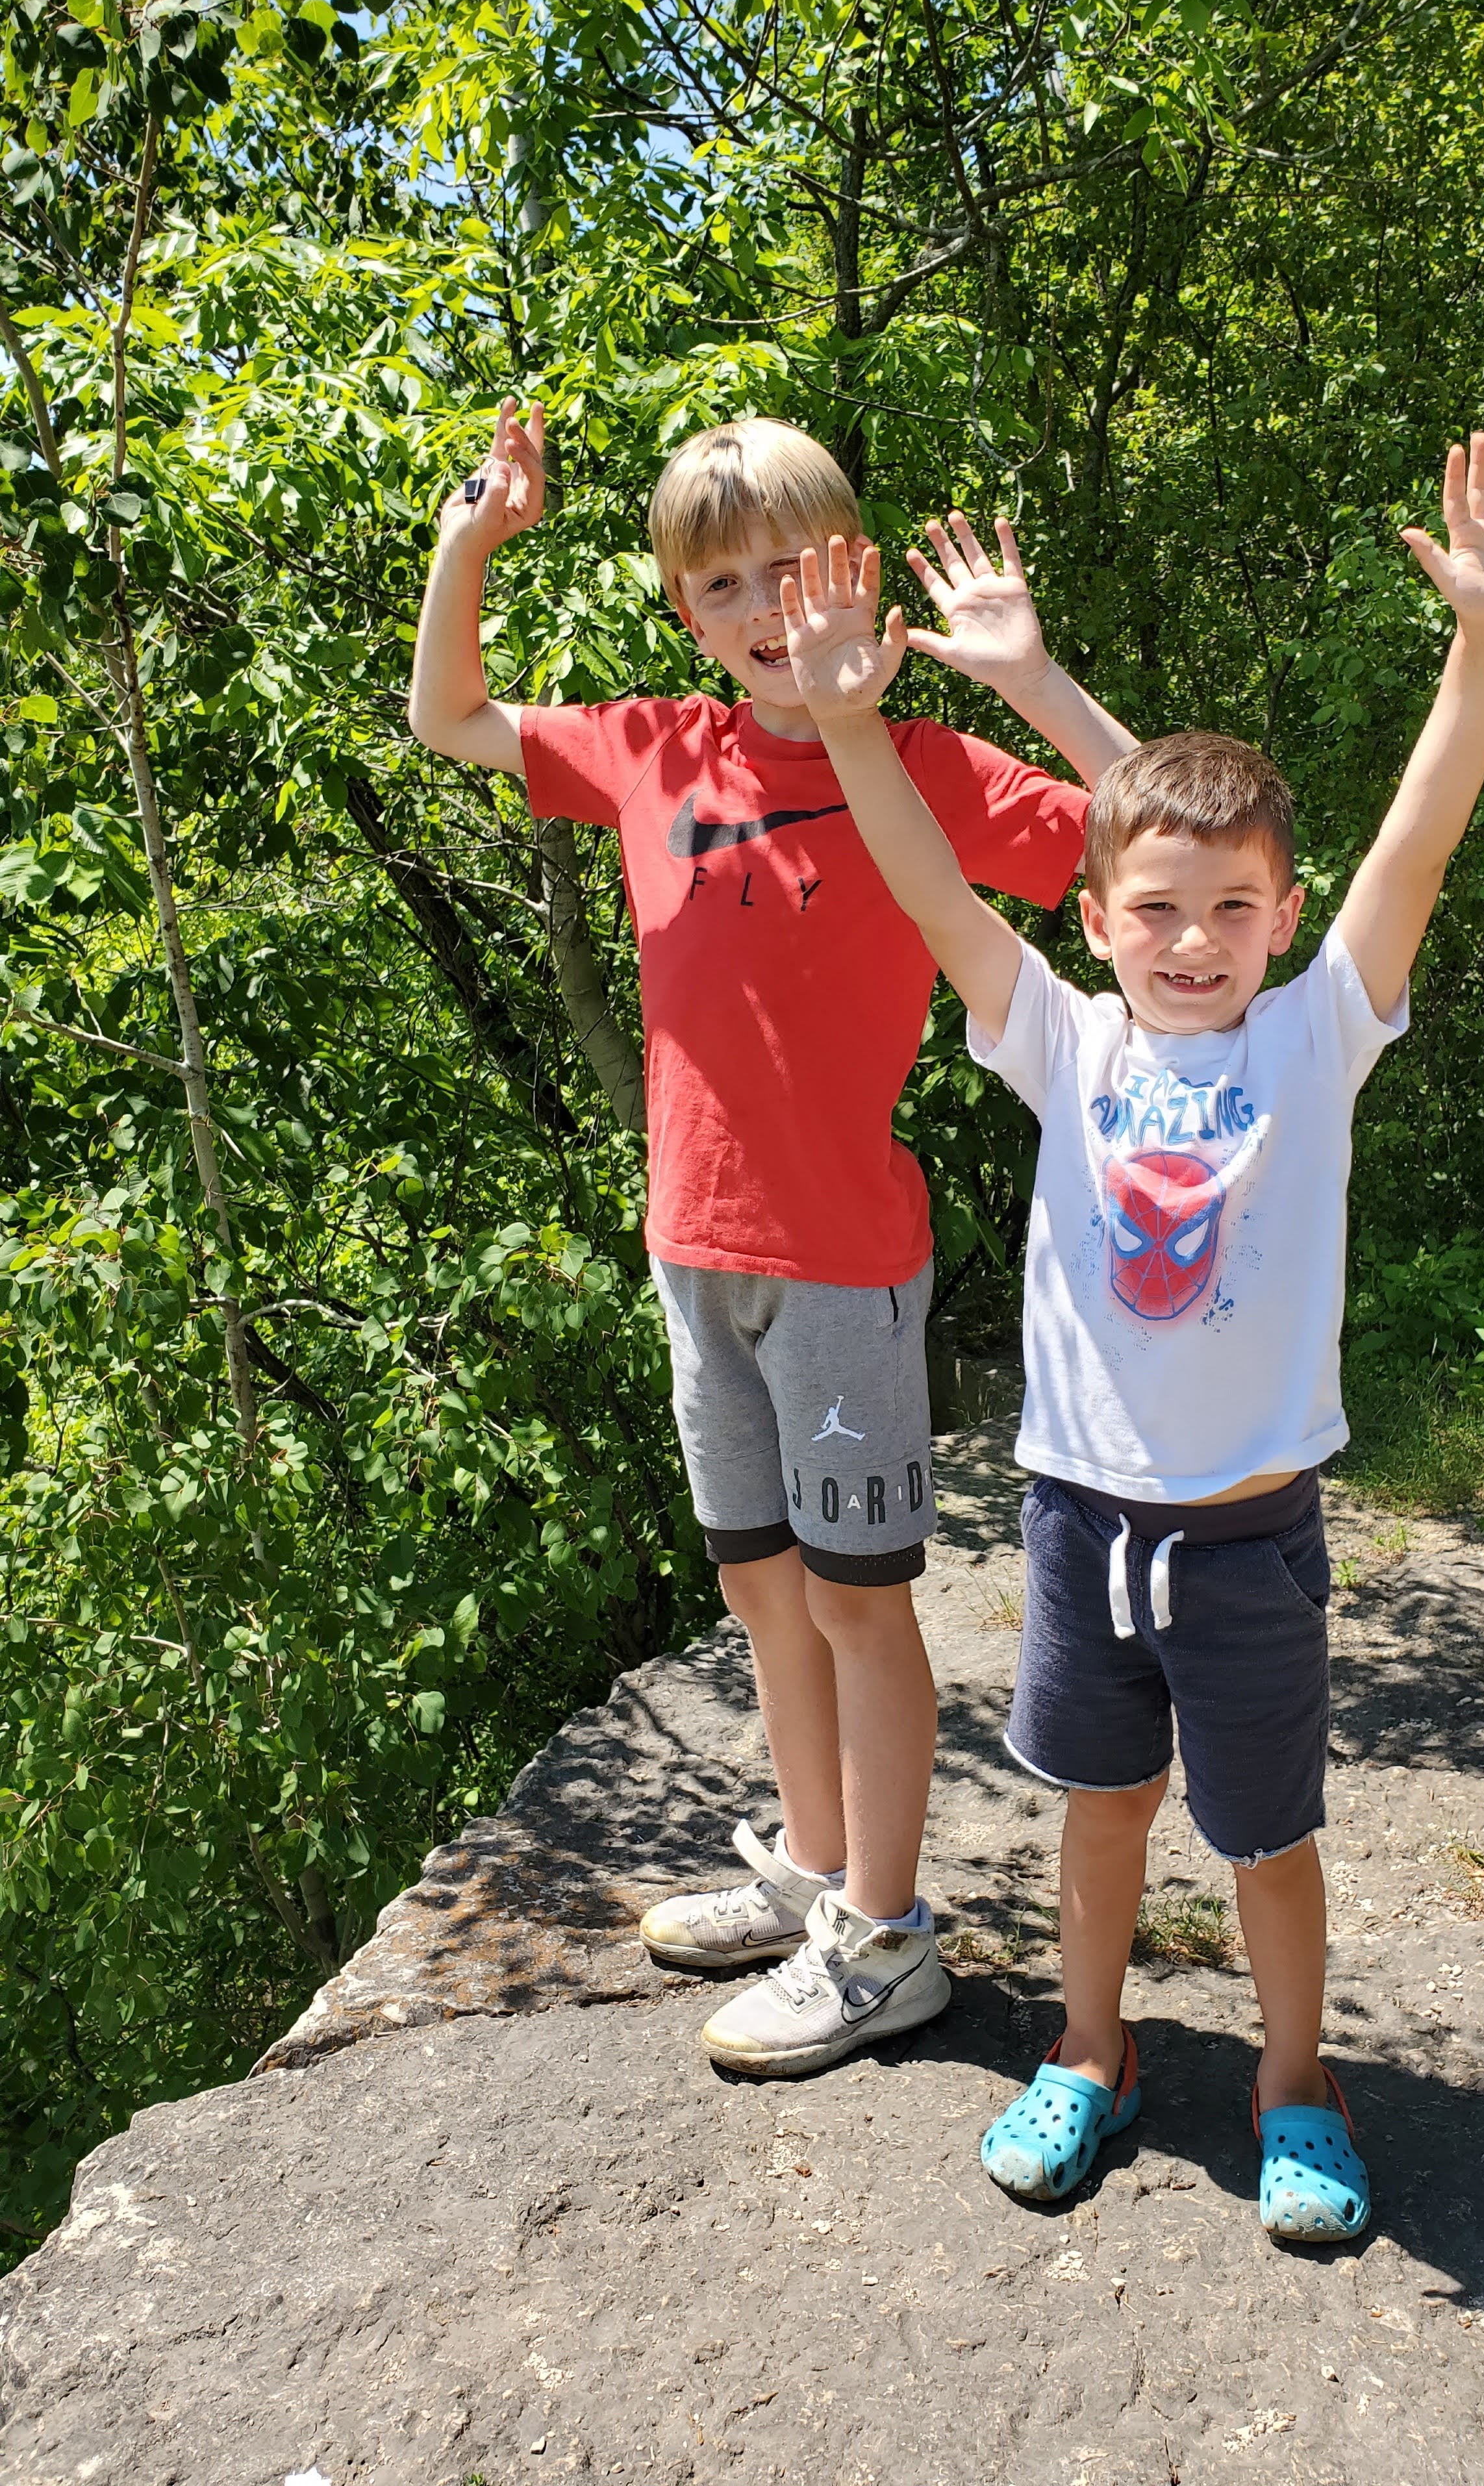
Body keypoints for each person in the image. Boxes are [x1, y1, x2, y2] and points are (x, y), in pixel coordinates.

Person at [776, 432, 1484, 2234]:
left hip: (1250, 1539)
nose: (1194, 938)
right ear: (1096, 919)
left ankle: (1296, 2087)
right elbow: (931, 889)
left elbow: (1418, 841)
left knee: (1268, 1838)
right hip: (1080, 1523)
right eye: (1157, 909)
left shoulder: (1315, 1033)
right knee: (1100, 1814)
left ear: (1285, 918)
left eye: (1232, 909)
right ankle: (1092, 2053)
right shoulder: (1062, 1037)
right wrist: (846, 727)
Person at [407, 401, 1135, 2078]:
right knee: (759, 1584)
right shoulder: (658, 749)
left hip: (842, 1270)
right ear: (686, 609)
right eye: (722, 582)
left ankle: (886, 1941)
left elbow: (1171, 832)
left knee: (860, 1603)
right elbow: (448, 717)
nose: (760, 607)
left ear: (857, 577)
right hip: (696, 1247)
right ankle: (815, 1869)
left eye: (792, 569)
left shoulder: (927, 768)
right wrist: (471, 543)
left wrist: (1028, 675)